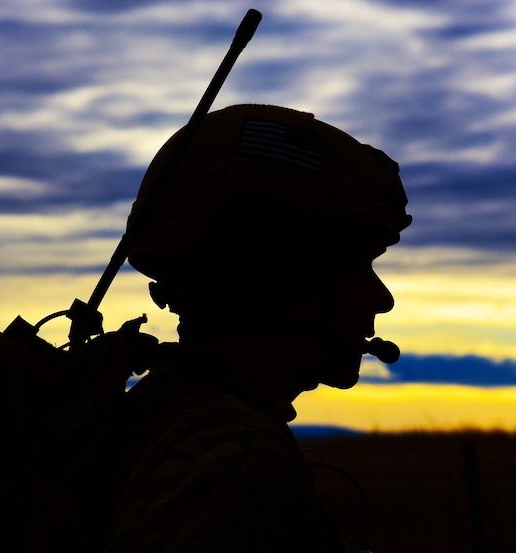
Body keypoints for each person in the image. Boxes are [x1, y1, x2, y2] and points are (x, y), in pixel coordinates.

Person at [105, 104, 412, 552]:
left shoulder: (153, 420)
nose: (381, 299)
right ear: (274, 276)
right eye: (356, 266)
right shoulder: (234, 466)